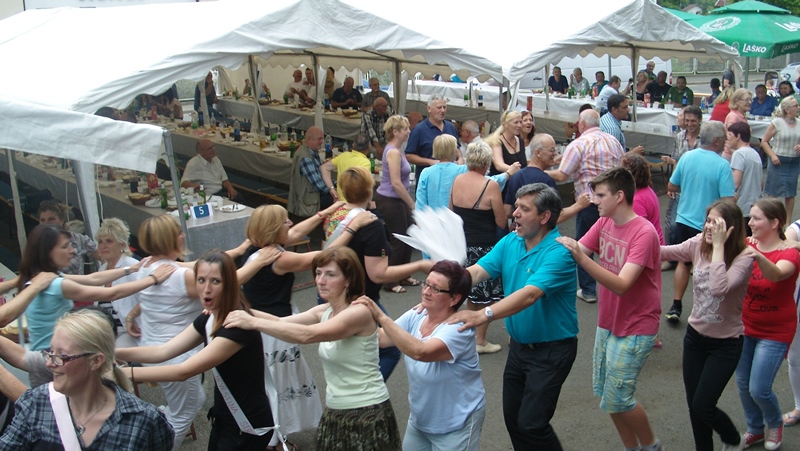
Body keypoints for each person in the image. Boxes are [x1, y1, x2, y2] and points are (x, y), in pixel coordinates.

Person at [224, 246, 403, 450]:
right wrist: (235, 307)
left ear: (348, 280)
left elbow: (308, 335)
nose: (320, 280)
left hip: (366, 410)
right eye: (318, 273)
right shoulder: (325, 310)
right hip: (336, 409)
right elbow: (280, 322)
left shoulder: (359, 312)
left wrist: (252, 322)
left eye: (330, 274)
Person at [449, 183, 578, 450]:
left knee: (532, 424)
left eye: (524, 209)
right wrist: (445, 284)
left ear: (544, 217)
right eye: (516, 206)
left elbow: (529, 295)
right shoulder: (511, 241)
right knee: (514, 420)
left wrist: (483, 314)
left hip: (551, 351)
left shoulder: (559, 252)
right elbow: (477, 272)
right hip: (519, 349)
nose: (515, 213)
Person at [117, 251, 279, 450]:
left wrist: (121, 373)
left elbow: (183, 371)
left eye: (215, 281)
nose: (206, 289)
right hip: (226, 418)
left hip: (246, 425)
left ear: (229, 284)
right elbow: (162, 351)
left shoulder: (236, 328)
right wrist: (112, 352)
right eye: (201, 280)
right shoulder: (209, 316)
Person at [556, 167, 663, 451]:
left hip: (637, 326)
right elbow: (575, 250)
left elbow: (622, 284)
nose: (595, 201)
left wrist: (582, 259)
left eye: (601, 195)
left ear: (619, 196)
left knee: (619, 398)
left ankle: (652, 446)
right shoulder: (604, 223)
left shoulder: (644, 232)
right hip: (609, 321)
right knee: (608, 395)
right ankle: (632, 447)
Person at [354, 261, 485, 450]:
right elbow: (382, 338)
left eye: (435, 289)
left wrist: (381, 316)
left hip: (456, 424)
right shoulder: (419, 313)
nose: (426, 291)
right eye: (426, 284)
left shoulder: (459, 329)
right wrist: (347, 322)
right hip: (421, 420)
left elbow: (420, 351)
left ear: (454, 299)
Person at [0, 309, 174, 450]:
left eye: (62, 355)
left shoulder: (144, 421)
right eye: (51, 352)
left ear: (96, 361)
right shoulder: (35, 404)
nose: (49, 363)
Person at [322, 166, 432, 380]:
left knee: (347, 347)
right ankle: (366, 388)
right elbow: (378, 274)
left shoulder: (335, 216)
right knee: (391, 347)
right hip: (361, 297)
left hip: (335, 293)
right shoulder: (371, 224)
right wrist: (418, 266)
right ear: (369, 191)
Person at [659, 200, 752, 451]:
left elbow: (719, 288)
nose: (709, 227)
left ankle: (733, 439)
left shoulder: (744, 257)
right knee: (695, 406)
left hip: (726, 344)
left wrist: (719, 247)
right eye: (708, 221)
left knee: (703, 405)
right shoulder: (698, 243)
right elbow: (665, 252)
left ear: (731, 228)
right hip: (695, 339)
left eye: (716, 223)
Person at [17, 224, 174, 353]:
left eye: (109, 241)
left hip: (47, 355)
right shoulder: (56, 283)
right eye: (65, 246)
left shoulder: (45, 277)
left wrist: (131, 269)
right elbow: (112, 293)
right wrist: (152, 279)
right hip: (51, 357)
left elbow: (91, 279)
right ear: (48, 252)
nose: (72, 250)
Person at [737, 198, 800, 450]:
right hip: (744, 326)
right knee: (743, 384)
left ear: (775, 223)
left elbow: (777, 274)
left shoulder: (790, 252)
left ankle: (774, 423)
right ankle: (755, 429)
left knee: (759, 388)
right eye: (750, 217)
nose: (750, 223)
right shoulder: (746, 244)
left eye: (756, 218)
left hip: (775, 331)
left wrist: (757, 256)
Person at [549, 109, 626, 303]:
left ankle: (588, 289)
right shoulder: (613, 141)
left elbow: (562, 175)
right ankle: (616, 284)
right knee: (612, 245)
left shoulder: (579, 143)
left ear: (581, 124)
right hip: (614, 202)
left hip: (589, 202)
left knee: (585, 246)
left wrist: (537, 170)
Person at [666, 121, 735, 322]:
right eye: (724, 139)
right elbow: (728, 201)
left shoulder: (687, 157)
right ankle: (703, 309)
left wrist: (690, 187)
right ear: (716, 141)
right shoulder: (723, 165)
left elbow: (672, 185)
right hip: (709, 225)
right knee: (707, 266)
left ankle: (676, 305)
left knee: (684, 262)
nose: (726, 142)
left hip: (684, 218)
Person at [451, 143, 506, 354]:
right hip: (484, 247)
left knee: (470, 292)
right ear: (486, 162)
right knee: (486, 295)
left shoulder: (457, 180)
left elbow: (451, 211)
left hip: (462, 245)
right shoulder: (490, 185)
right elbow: (501, 221)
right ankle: (480, 340)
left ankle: (469, 335)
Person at [375, 115, 418, 294]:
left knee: (409, 233)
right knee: (398, 238)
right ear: (395, 132)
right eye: (405, 129)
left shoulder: (398, 150)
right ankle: (390, 280)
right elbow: (396, 183)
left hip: (397, 199)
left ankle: (403, 274)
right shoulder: (393, 152)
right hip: (389, 199)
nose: (409, 131)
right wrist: (411, 203)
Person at [504, 134, 590, 222]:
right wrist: (579, 205)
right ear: (538, 153)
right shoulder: (545, 180)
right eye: (552, 150)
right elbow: (557, 217)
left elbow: (507, 211)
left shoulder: (515, 176)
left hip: (519, 228)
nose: (555, 154)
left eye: (555, 150)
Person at [417, 138, 513, 211]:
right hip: (454, 223)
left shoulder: (426, 172)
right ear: (453, 150)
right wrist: (508, 174)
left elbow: (420, 204)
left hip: (431, 224)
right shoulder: (462, 169)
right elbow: (487, 183)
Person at [661, 105, 702, 268]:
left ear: (700, 121)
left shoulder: (705, 138)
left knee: (696, 223)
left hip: (698, 185)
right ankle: (671, 258)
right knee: (672, 223)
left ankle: (694, 259)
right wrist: (673, 183)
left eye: (693, 121)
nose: (689, 124)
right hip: (681, 185)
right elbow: (676, 161)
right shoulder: (679, 137)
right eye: (687, 120)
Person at [94, 218, 141, 346]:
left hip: (130, 332)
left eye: (109, 241)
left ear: (122, 245)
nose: (103, 246)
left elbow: (149, 298)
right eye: (100, 242)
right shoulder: (102, 269)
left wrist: (131, 317)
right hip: (106, 334)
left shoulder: (132, 266)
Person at [38, 200, 99, 280]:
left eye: (51, 219)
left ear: (61, 220)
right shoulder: (37, 245)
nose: (46, 224)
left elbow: (103, 256)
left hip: (79, 285)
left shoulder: (78, 239)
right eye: (43, 220)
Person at [761, 95, 800, 218]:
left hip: (794, 161)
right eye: (795, 106)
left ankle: (788, 221)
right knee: (773, 192)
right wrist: (772, 155)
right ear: (787, 109)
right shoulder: (777, 123)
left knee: (790, 193)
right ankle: (770, 217)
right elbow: (764, 141)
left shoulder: (799, 123)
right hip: (778, 161)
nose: (798, 107)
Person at [405, 94, 459, 179]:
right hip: (428, 179)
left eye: (444, 107)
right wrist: (430, 162)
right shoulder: (419, 130)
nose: (442, 110)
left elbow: (457, 148)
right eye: (439, 107)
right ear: (429, 109)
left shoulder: (451, 127)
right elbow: (409, 155)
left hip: (450, 178)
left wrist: (460, 158)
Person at [288, 126, 333, 217]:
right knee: (340, 202)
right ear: (309, 140)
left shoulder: (312, 152)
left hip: (311, 197)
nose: (322, 142)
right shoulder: (305, 158)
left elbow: (321, 176)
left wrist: (337, 184)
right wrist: (335, 190)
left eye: (322, 139)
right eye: (319, 139)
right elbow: (320, 186)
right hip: (305, 205)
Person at [620, 154, 664, 245]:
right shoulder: (647, 190)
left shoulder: (636, 201)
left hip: (648, 246)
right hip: (655, 243)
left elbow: (636, 232)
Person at [728, 122, 763, 234]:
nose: (728, 139)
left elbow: (735, 183)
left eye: (730, 135)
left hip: (742, 207)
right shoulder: (754, 153)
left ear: (738, 136)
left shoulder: (739, 154)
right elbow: (761, 183)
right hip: (754, 205)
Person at [321, 134, 372, 202]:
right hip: (354, 204)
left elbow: (324, 168)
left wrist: (332, 189)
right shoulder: (365, 162)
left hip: (339, 203)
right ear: (369, 147)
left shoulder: (344, 156)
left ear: (353, 145)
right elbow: (364, 187)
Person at [485, 110, 527, 176]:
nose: (519, 125)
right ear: (506, 124)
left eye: (520, 122)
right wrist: (521, 172)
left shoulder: (520, 141)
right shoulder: (496, 141)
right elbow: (499, 165)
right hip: (500, 180)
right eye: (516, 122)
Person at [723, 88, 752, 160]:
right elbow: (729, 138)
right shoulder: (733, 117)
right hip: (732, 157)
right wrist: (738, 156)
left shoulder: (741, 115)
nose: (750, 102)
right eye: (746, 100)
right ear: (737, 101)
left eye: (750, 99)